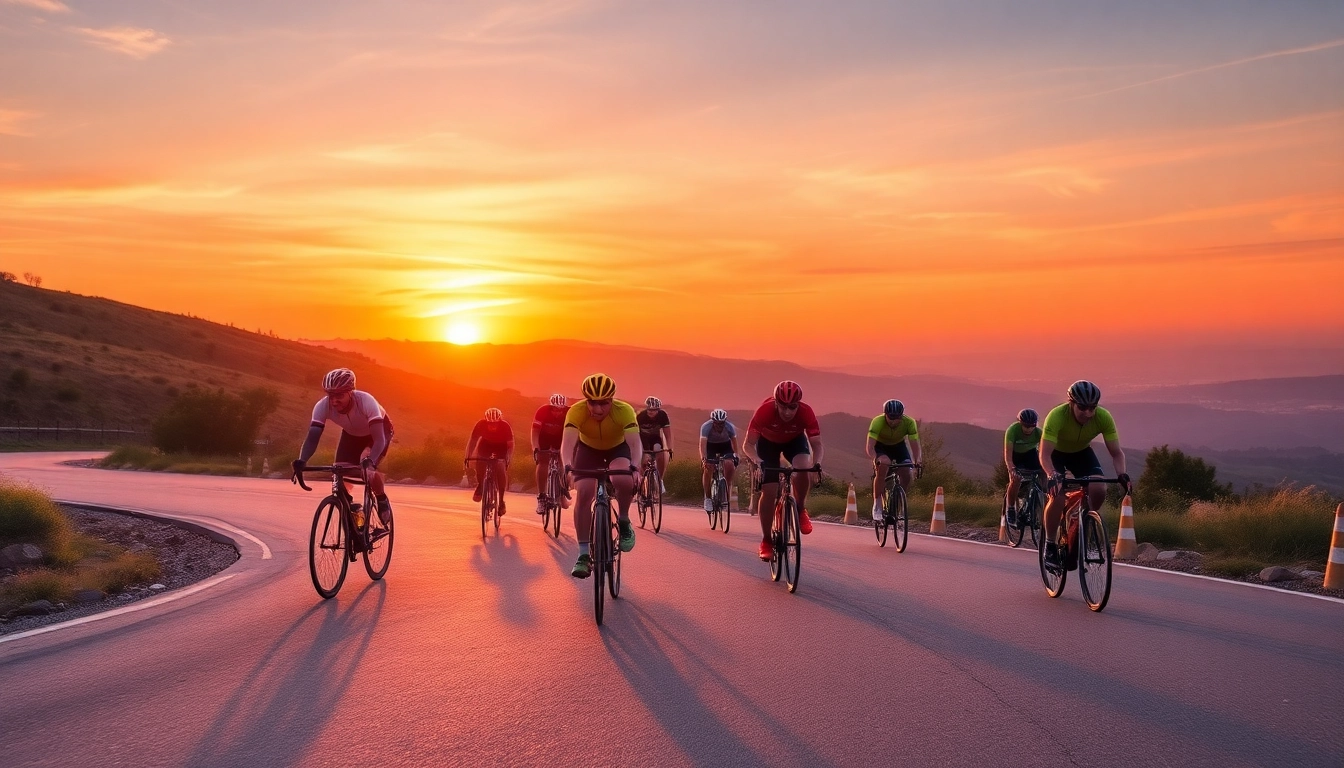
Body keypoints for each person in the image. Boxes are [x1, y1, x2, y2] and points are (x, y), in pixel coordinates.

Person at [1038, 381, 1131, 563]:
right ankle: (1049, 544)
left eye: (1092, 408)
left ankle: (1081, 521)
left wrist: (1122, 474)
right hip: (1055, 455)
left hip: (1081, 453)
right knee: (1057, 496)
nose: (1088, 413)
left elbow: (1117, 453)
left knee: (1099, 489)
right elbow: (1044, 454)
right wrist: (1051, 474)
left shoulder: (1103, 417)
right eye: (1082, 407)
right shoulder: (1056, 416)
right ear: (1071, 403)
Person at [291, 368, 394, 526]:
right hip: (351, 434)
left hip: (378, 432)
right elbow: (313, 437)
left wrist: (370, 461)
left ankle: (381, 498)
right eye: (331, 395)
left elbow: (379, 439)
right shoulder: (322, 406)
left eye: (339, 395)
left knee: (366, 464)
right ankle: (353, 510)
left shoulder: (366, 401)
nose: (334, 401)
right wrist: (302, 460)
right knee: (338, 471)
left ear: (350, 392)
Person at [562, 373, 641, 578]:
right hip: (588, 451)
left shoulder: (624, 411)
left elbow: (634, 443)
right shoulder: (576, 411)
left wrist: (635, 466)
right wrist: (567, 466)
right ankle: (583, 555)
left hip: (617, 450)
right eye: (592, 403)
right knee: (585, 492)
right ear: (585, 400)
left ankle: (623, 520)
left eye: (604, 404)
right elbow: (568, 443)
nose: (597, 409)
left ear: (612, 400)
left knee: (622, 478)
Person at [743, 380, 823, 561]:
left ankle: (800, 509)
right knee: (769, 491)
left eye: (792, 407)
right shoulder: (764, 411)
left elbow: (817, 445)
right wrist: (757, 460)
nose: (787, 412)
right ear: (776, 402)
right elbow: (748, 444)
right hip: (767, 444)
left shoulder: (806, 412)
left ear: (799, 405)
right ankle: (766, 541)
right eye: (783, 406)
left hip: (794, 442)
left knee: (803, 468)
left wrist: (817, 464)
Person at [864, 399, 922, 521]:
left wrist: (918, 461)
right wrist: (875, 459)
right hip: (881, 447)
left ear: (902, 415)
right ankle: (877, 504)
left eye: (897, 418)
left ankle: (897, 501)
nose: (894, 421)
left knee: (907, 471)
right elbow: (870, 446)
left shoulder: (909, 422)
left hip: (899, 446)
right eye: (891, 418)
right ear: (885, 414)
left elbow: (915, 444)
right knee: (884, 464)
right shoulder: (877, 422)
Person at [465, 408, 513, 516]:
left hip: (501, 447)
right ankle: (481, 485)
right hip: (485, 445)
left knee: (500, 468)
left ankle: (501, 501)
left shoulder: (505, 426)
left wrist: (508, 457)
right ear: (486, 422)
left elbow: (510, 445)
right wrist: (468, 456)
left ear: (499, 422)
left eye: (495, 424)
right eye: (490, 424)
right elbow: (472, 441)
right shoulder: (480, 425)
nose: (492, 426)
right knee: (480, 461)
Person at [532, 394, 570, 515]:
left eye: (560, 410)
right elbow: (535, 432)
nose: (557, 412)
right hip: (544, 438)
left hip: (561, 438)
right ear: (550, 407)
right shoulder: (542, 411)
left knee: (564, 462)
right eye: (554, 409)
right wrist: (536, 448)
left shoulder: (569, 412)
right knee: (543, 462)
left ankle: (563, 490)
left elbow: (573, 434)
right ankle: (542, 497)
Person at [1003, 408, 1043, 524]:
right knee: (1016, 479)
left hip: (1030, 454)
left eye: (1031, 426)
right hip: (1015, 455)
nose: (1028, 429)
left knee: (1044, 472)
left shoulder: (1039, 432)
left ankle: (1042, 497)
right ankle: (1011, 508)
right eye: (1025, 426)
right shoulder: (1013, 430)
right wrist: (1011, 469)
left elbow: (1046, 451)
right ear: (1020, 423)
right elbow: (1008, 454)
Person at [699, 408, 741, 512]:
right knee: (708, 467)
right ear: (713, 421)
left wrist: (736, 455)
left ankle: (725, 489)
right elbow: (702, 445)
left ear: (725, 421)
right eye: (717, 423)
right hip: (710, 446)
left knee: (729, 464)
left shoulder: (729, 427)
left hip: (725, 446)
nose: (719, 426)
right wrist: (704, 459)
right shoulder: (706, 427)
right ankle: (708, 498)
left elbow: (734, 443)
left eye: (722, 423)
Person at [637, 396, 672, 492]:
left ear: (658, 410)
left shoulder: (662, 415)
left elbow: (667, 434)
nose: (651, 412)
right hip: (642, 438)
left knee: (660, 452)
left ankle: (660, 480)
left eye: (654, 410)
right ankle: (642, 482)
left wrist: (669, 449)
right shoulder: (640, 416)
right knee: (644, 460)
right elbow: (635, 434)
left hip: (655, 438)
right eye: (649, 410)